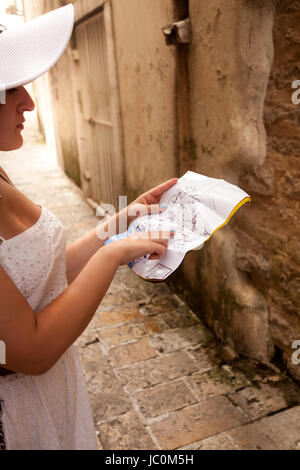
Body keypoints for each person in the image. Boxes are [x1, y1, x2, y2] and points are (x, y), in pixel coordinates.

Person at [0, 5, 177, 450]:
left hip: (55, 391)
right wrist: (115, 254)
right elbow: (33, 351)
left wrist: (122, 221)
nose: (29, 102)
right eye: (11, 88)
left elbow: (39, 270)